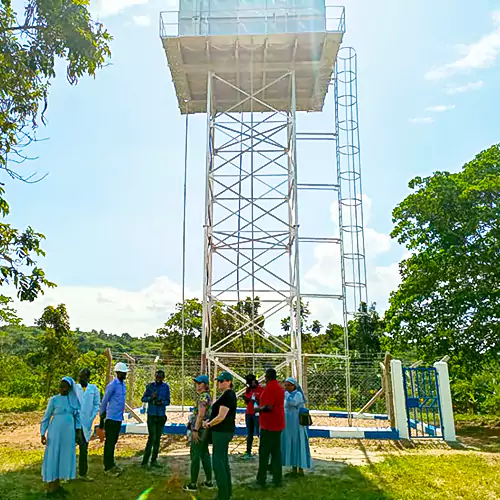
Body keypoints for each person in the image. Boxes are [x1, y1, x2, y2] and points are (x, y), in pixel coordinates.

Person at [41, 376, 82, 496]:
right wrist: (43, 433)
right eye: (61, 386)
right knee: (54, 455)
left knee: (63, 456)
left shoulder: (73, 401)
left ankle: (58, 485)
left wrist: (78, 432)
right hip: (55, 433)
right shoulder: (54, 400)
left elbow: (77, 417)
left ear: (69, 388)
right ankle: (51, 487)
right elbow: (46, 417)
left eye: (65, 387)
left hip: (68, 434)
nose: (62, 389)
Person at [203, 372, 237, 500]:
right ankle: (226, 493)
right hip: (223, 431)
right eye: (218, 381)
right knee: (223, 462)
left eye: (222, 381)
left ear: (229, 382)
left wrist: (209, 424)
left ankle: (223, 494)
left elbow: (221, 416)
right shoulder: (227, 395)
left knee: (217, 463)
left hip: (221, 432)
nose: (219, 383)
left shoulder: (228, 395)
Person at [252, 368, 285, 490]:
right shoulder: (279, 387)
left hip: (269, 425)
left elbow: (269, 406)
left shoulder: (270, 388)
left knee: (264, 454)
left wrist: (258, 409)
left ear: (267, 377)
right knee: (276, 453)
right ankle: (277, 479)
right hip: (278, 424)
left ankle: (261, 481)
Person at [183, 375, 214, 492]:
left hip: (199, 429)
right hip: (205, 429)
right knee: (205, 453)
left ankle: (193, 484)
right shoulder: (207, 396)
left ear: (205, 385)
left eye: (199, 383)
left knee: (195, 455)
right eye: (196, 383)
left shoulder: (203, 397)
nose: (197, 385)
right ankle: (209, 481)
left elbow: (201, 415)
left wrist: (195, 429)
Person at [98, 361, 128, 477]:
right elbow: (105, 401)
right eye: (124, 373)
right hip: (111, 418)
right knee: (109, 443)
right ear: (118, 373)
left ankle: (111, 463)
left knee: (113, 442)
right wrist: (102, 416)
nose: (125, 375)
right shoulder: (112, 385)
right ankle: (107, 467)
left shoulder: (123, 385)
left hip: (118, 418)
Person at [281, 377, 312, 477]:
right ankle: (293, 468)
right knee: (290, 443)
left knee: (298, 443)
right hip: (288, 424)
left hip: (296, 423)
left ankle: (301, 468)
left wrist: (286, 395)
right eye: (285, 385)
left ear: (294, 386)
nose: (286, 387)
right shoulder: (287, 395)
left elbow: (292, 403)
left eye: (289, 385)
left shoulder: (297, 395)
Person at [141, 369, 171, 468]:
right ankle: (145, 462)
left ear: (163, 378)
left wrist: (161, 402)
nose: (158, 379)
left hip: (161, 415)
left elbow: (168, 401)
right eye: (157, 377)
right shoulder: (150, 386)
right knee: (152, 437)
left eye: (160, 377)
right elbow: (143, 398)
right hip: (152, 415)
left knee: (158, 439)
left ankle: (154, 460)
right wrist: (151, 398)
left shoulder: (166, 387)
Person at [75, 368, 101, 481]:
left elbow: (96, 404)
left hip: (86, 423)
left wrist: (91, 417)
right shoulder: (75, 388)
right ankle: (68, 473)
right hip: (74, 422)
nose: (80, 379)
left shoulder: (93, 389)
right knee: (70, 448)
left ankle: (83, 474)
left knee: (84, 449)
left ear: (88, 378)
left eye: (83, 377)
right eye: (79, 376)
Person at [242, 373, 263, 459]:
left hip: (257, 414)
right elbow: (246, 400)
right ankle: (248, 451)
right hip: (249, 413)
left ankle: (262, 450)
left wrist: (257, 400)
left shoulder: (261, 389)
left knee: (259, 433)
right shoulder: (248, 389)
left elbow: (263, 401)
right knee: (249, 433)